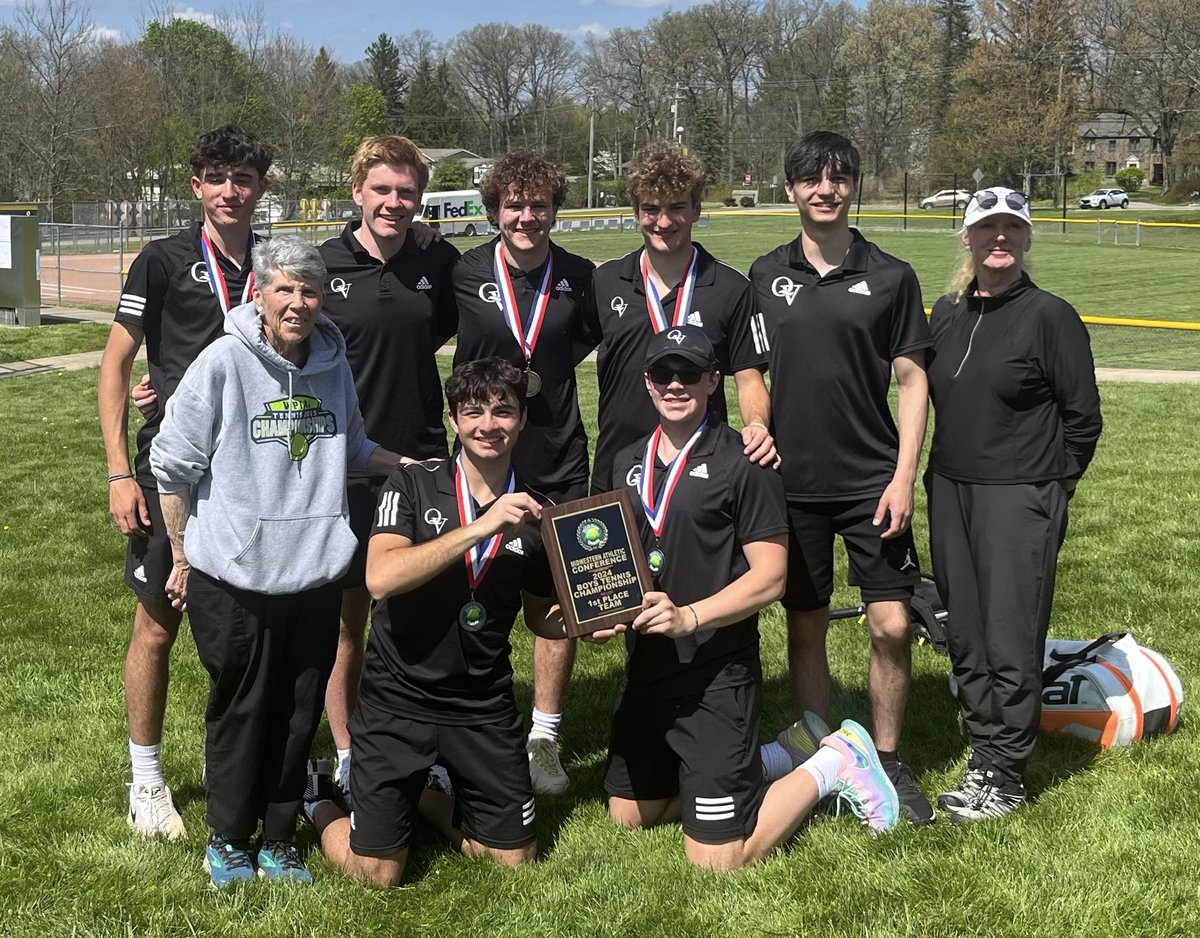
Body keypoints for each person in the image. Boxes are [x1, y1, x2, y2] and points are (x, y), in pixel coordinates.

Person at [592, 325, 899, 870]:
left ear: (715, 381)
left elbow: (770, 578)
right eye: (664, 372)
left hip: (717, 675)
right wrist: (604, 608)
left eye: (691, 373)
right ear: (647, 382)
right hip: (649, 671)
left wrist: (690, 616)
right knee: (626, 811)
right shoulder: (625, 460)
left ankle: (834, 764)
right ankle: (765, 760)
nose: (676, 384)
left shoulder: (745, 460)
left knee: (719, 860)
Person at [149, 236, 404, 887]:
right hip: (234, 576)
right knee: (242, 708)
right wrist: (180, 554)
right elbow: (173, 464)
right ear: (259, 294)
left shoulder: (332, 361)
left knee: (297, 711)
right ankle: (229, 839)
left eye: (309, 290)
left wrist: (409, 468)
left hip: (314, 573)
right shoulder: (223, 363)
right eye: (284, 289)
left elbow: (350, 450)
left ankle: (280, 837)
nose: (297, 302)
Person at [303, 358, 565, 888]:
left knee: (511, 860)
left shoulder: (538, 512)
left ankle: (421, 793)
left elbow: (542, 617)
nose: (488, 424)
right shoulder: (413, 482)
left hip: (482, 704)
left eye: (503, 411)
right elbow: (380, 577)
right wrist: (483, 525)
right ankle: (318, 801)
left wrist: (591, 621)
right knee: (377, 873)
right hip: (398, 700)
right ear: (453, 420)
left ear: (522, 420)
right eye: (473, 412)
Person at [749, 131, 935, 824]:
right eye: (811, 179)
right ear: (791, 188)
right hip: (791, 487)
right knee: (807, 625)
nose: (825, 189)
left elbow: (914, 380)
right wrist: (757, 420)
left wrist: (903, 476)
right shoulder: (765, 274)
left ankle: (885, 759)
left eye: (838, 178)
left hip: (871, 485)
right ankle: (823, 756)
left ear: (854, 185)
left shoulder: (892, 275)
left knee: (891, 624)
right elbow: (748, 370)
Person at [98, 124, 272, 839]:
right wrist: (117, 472)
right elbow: (115, 365)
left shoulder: (280, 261)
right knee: (158, 625)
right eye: (218, 178)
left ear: (261, 187)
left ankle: (258, 763)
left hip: (260, 471)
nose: (231, 191)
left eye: (244, 178)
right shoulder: (163, 261)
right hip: (174, 470)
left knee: (258, 626)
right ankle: (146, 781)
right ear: (197, 185)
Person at [926, 188, 1102, 822]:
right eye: (986, 228)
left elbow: (1083, 419)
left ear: (1027, 240)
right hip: (950, 488)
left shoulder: (1050, 315)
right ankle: (982, 748)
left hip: (1019, 494)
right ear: (967, 238)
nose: (998, 238)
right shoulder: (945, 314)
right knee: (965, 630)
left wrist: (1051, 489)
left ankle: (1006, 772)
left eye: (1011, 228)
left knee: (1008, 633)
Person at [318, 135, 460, 801]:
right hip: (342, 469)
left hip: (422, 464)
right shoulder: (323, 266)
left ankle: (421, 741)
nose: (394, 203)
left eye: (407, 193)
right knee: (348, 622)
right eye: (382, 190)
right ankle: (347, 751)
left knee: (417, 618)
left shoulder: (440, 262)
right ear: (356, 192)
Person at [451, 152, 595, 796]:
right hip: (483, 457)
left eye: (538, 205)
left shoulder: (582, 276)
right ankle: (466, 719)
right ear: (495, 211)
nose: (527, 216)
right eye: (514, 204)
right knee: (471, 586)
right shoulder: (464, 271)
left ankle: (544, 733)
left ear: (554, 209)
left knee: (554, 600)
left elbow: (584, 342)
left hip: (558, 456)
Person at [584, 141, 776, 497]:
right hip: (616, 468)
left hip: (703, 472)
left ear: (697, 209)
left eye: (676, 207)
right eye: (651, 209)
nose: (664, 222)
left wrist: (758, 425)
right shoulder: (606, 281)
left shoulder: (732, 288)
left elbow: (750, 378)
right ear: (635, 211)